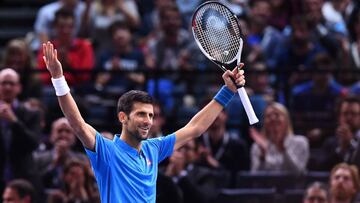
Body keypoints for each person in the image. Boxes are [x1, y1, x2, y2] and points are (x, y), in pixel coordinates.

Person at [42, 41, 245, 202]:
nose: (147, 121)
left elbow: (195, 128)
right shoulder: (107, 151)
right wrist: (58, 78)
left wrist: (227, 91)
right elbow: (77, 124)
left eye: (150, 115)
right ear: (123, 117)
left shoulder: (152, 149)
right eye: (141, 114)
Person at [0, 68, 41, 193]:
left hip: (24, 178)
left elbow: (33, 143)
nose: (7, 87)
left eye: (11, 84)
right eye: (3, 83)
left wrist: (14, 122)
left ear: (19, 88)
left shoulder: (32, 114)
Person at [250, 102, 309, 174]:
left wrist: (283, 149)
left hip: (292, 185)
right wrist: (262, 155)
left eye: (277, 115)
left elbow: (299, 173)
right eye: (268, 116)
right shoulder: (258, 146)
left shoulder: (300, 142)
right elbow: (254, 177)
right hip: (267, 185)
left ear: (286, 120)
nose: (273, 118)